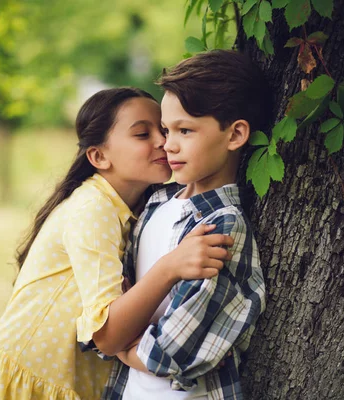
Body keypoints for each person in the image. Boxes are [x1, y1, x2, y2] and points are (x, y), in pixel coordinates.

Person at [0, 87, 234, 400]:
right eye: (142, 134)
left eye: (164, 130)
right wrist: (170, 267)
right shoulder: (93, 207)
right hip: (31, 380)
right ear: (99, 156)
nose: (163, 142)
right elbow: (106, 333)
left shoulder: (140, 210)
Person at [103, 50, 271, 399]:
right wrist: (118, 331)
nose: (168, 143)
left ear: (235, 134)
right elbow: (112, 298)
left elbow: (172, 353)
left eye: (185, 130)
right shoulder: (157, 202)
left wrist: (116, 340)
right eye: (166, 129)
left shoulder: (221, 228)